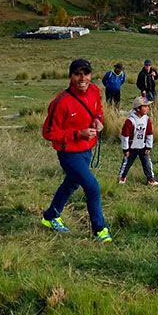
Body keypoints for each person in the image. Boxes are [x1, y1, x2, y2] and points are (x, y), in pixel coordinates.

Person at [41, 59, 112, 242]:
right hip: (69, 154)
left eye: (86, 73)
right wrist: (77, 134)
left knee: (71, 184)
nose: (82, 78)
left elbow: (98, 110)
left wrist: (98, 120)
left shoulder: (95, 90)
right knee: (92, 186)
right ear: (70, 76)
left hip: (88, 149)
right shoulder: (61, 102)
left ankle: (50, 216)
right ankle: (100, 230)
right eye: (77, 74)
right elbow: (48, 132)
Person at [119, 95, 158, 186]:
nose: (147, 108)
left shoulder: (147, 119)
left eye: (147, 106)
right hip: (132, 147)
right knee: (127, 163)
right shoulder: (130, 121)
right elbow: (125, 136)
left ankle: (150, 178)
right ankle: (122, 177)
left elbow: (149, 133)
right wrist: (126, 149)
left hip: (143, 146)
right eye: (145, 106)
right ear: (138, 109)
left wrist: (148, 146)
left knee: (147, 163)